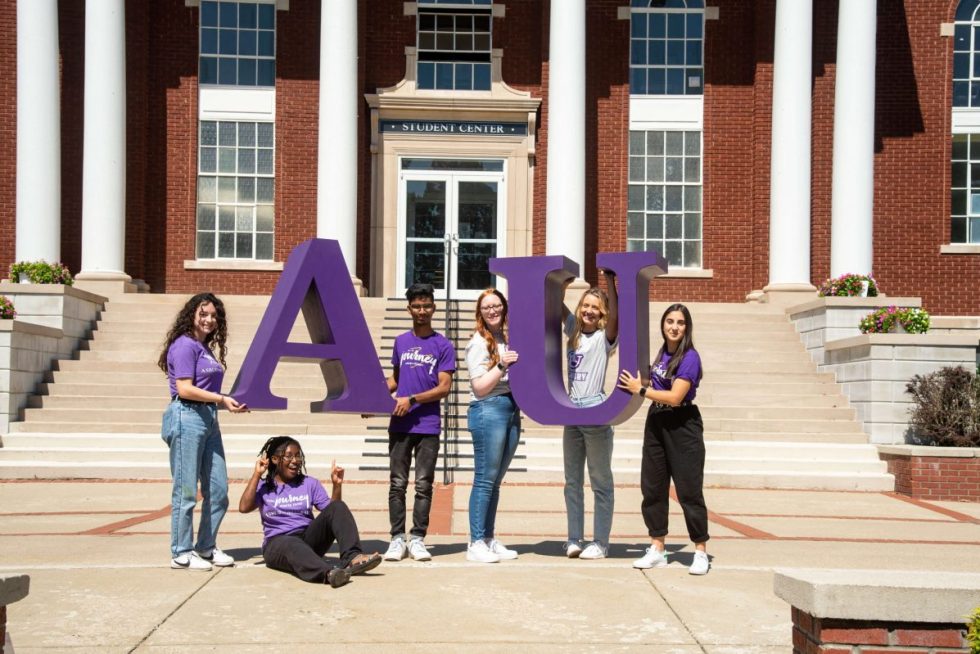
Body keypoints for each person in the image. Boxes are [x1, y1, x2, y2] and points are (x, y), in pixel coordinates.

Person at [618, 303, 710, 575]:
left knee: (689, 491)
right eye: (670, 321)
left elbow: (675, 396)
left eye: (680, 322)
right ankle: (657, 547)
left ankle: (700, 551)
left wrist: (641, 389)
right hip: (656, 421)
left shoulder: (690, 357)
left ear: (687, 327)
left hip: (682, 423)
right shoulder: (661, 355)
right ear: (662, 325)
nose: (674, 327)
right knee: (653, 488)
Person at [159, 292, 248, 571]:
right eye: (204, 314)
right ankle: (181, 552)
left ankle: (206, 547)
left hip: (208, 419)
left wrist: (226, 402)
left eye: (213, 315)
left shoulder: (204, 347)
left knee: (219, 489)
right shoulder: (185, 345)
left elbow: (205, 390)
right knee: (186, 490)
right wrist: (221, 398)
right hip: (186, 416)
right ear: (192, 315)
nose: (209, 320)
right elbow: (184, 388)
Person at [238, 436, 382, 587]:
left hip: (307, 539)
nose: (295, 460)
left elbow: (333, 514)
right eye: (289, 456)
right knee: (291, 543)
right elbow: (243, 507)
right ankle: (329, 574)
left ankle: (352, 557)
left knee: (338, 506)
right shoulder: (263, 486)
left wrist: (337, 485)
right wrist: (256, 475)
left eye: (298, 455)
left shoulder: (309, 483)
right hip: (278, 543)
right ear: (274, 459)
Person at [382, 283, 456, 562]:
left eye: (426, 306)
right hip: (400, 424)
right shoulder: (401, 341)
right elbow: (396, 379)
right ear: (409, 308)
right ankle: (397, 538)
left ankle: (418, 539)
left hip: (427, 425)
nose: (422, 311)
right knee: (397, 484)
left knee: (424, 484)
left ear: (433, 308)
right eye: (417, 306)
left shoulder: (443, 345)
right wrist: (373, 398)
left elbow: (444, 387)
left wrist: (412, 400)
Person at [561, 273, 618, 560]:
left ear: (603, 313)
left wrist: (610, 285)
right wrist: (561, 285)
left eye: (596, 307)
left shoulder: (603, 338)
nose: (589, 311)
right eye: (586, 305)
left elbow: (617, 316)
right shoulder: (573, 330)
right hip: (571, 410)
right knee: (572, 481)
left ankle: (600, 542)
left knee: (600, 481)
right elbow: (554, 306)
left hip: (595, 408)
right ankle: (574, 538)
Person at [463, 288, 522, 564]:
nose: (493, 310)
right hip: (488, 409)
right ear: (480, 312)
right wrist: (501, 365)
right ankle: (475, 541)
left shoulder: (505, 338)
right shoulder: (478, 342)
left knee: (495, 481)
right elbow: (480, 387)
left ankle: (488, 537)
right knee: (485, 479)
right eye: (487, 307)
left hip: (509, 407)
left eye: (496, 305)